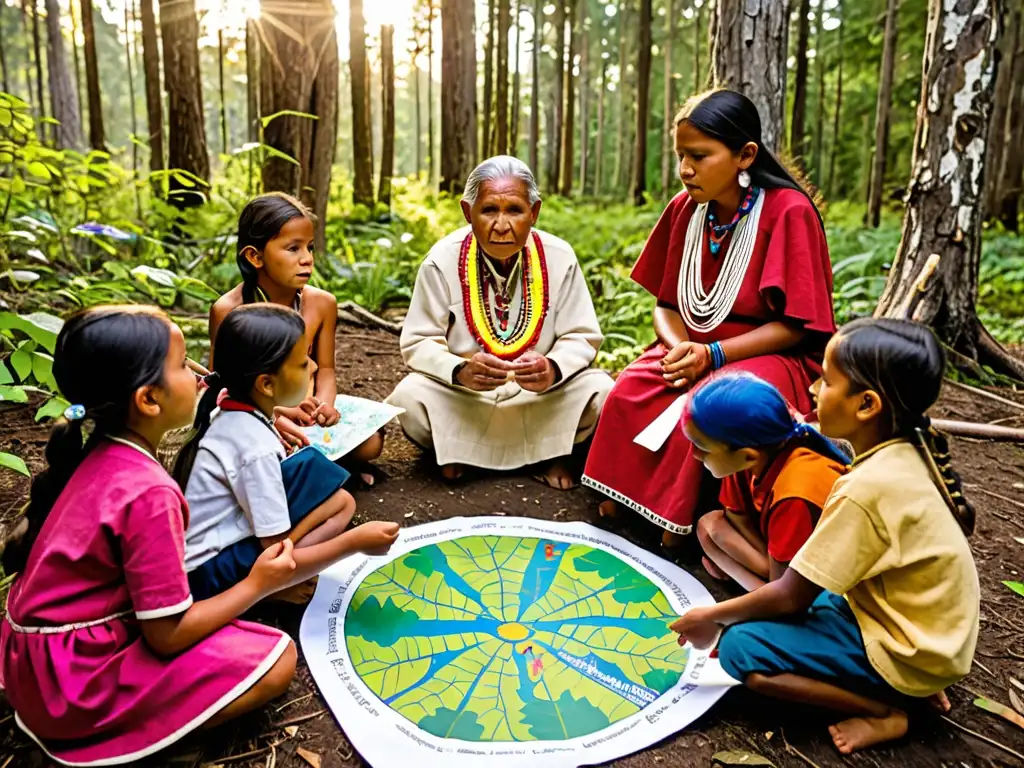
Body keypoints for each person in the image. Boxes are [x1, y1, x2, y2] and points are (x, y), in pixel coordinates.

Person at [0, 306, 301, 765]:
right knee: (277, 657)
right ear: (148, 400)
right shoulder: (148, 491)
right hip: (72, 688)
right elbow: (166, 635)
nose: (200, 373)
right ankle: (138, 743)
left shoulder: (94, 451)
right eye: (182, 364)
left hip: (34, 667)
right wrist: (257, 583)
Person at [670, 318, 980, 755]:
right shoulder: (906, 451)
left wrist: (712, 616)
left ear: (866, 405)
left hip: (910, 647)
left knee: (740, 649)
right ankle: (914, 683)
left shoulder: (864, 488)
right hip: (927, 634)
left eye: (826, 380)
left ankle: (885, 709)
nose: (813, 390)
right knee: (765, 610)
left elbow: (792, 597)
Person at [582, 89, 836, 547]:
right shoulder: (685, 210)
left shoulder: (788, 211)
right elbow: (665, 304)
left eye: (699, 156)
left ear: (745, 155)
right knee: (629, 392)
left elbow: (798, 326)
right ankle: (624, 495)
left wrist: (714, 354)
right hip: (689, 343)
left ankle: (676, 519)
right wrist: (679, 346)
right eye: (681, 156)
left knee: (709, 405)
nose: (685, 169)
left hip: (770, 351)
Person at [386, 156, 613, 489]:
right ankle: (475, 452)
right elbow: (418, 341)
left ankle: (541, 453)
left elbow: (581, 336)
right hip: (469, 398)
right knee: (409, 397)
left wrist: (551, 367)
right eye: (489, 210)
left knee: (601, 391)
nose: (501, 225)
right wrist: (459, 371)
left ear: (533, 213)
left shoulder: (559, 256)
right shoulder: (441, 260)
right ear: (468, 212)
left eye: (515, 211)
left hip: (540, 397)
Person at [174, 304, 399, 603]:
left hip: (209, 545)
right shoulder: (255, 447)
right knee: (332, 508)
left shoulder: (228, 403)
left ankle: (281, 576)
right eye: (303, 363)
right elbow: (274, 547)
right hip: (209, 572)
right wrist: (353, 543)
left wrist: (280, 410)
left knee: (341, 499)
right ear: (266, 384)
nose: (314, 368)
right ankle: (271, 588)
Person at [210, 192, 384, 478]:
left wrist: (324, 407)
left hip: (308, 411)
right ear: (255, 256)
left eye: (310, 248)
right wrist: (275, 415)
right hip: (255, 415)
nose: (307, 259)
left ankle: (321, 464)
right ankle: (321, 469)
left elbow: (326, 369)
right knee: (267, 446)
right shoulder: (228, 311)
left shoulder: (321, 304)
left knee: (372, 444)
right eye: (293, 249)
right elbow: (220, 386)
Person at [685, 373, 849, 591]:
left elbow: (786, 587)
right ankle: (760, 591)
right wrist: (768, 565)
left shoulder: (796, 492)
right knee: (709, 526)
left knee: (715, 533)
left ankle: (758, 597)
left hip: (816, 582)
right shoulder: (749, 456)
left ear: (748, 455)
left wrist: (736, 568)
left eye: (703, 447)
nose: (694, 453)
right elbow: (737, 520)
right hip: (777, 560)